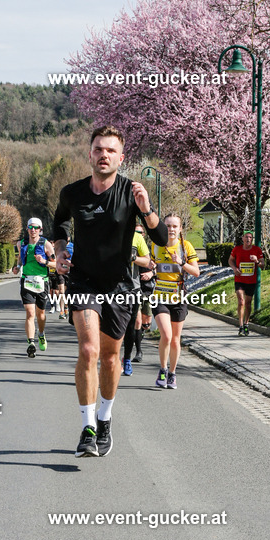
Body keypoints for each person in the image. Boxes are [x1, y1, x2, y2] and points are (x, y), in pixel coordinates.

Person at [53, 125, 168, 457]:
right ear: (90, 154)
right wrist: (61, 251)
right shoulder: (72, 193)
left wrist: (145, 208)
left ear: (121, 157)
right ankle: (88, 428)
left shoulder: (130, 192)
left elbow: (161, 239)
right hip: (83, 282)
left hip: (120, 286)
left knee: (111, 357)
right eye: (98, 149)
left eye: (110, 150)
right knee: (89, 351)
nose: (104, 155)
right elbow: (59, 222)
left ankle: (104, 420)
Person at [150, 214, 200, 389]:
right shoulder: (156, 245)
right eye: (168, 226)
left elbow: (196, 272)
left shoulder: (185, 247)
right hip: (159, 295)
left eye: (174, 226)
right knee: (166, 334)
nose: (171, 229)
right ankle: (162, 370)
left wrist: (181, 263)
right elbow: (150, 263)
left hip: (178, 297)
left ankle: (172, 373)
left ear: (180, 229)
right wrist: (150, 270)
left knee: (175, 339)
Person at [13, 218, 54, 357]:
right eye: (30, 227)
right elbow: (20, 257)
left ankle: (41, 334)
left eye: (36, 227)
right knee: (30, 313)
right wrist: (17, 267)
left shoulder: (46, 244)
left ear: (40, 229)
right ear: (27, 228)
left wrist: (44, 261)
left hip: (42, 282)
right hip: (27, 281)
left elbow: (56, 265)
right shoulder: (21, 243)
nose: (33, 230)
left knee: (40, 314)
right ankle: (31, 343)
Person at [121, 224, 152, 375]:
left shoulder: (137, 237)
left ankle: (127, 358)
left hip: (132, 288)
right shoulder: (107, 232)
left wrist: (133, 257)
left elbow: (147, 261)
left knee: (131, 325)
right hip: (110, 289)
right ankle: (111, 358)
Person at [229, 229, 264, 335]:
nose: (248, 239)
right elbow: (230, 260)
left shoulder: (257, 250)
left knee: (248, 303)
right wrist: (234, 268)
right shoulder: (237, 249)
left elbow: (262, 265)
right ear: (242, 238)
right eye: (246, 237)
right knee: (241, 301)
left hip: (251, 280)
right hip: (239, 279)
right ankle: (240, 325)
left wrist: (257, 261)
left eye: (250, 237)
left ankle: (246, 324)